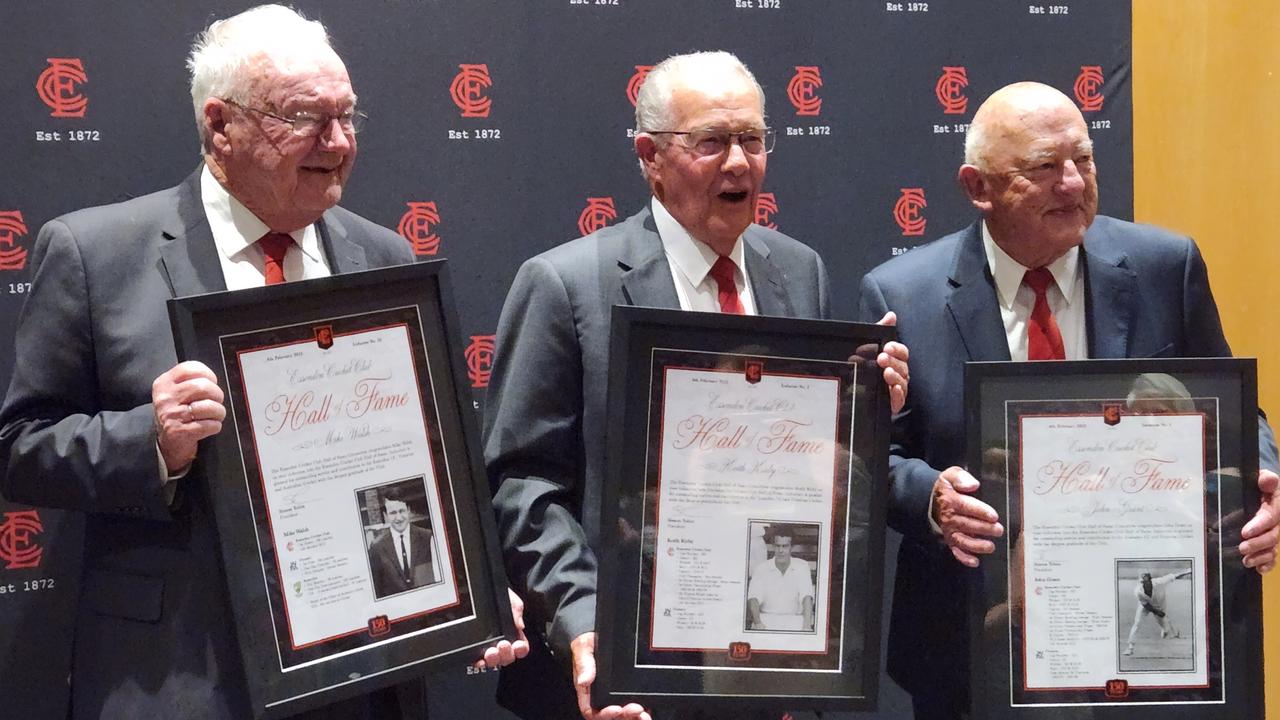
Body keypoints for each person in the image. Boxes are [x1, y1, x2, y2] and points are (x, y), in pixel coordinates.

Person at [0, 6, 523, 718]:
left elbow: (423, 460)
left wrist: (472, 591)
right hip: (182, 672)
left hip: (365, 674)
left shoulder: (384, 258)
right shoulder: (96, 254)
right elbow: (22, 448)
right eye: (308, 118)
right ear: (221, 125)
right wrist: (153, 441)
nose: (337, 143)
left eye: (348, 117)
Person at [483, 51, 909, 720]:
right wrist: (584, 618)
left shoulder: (798, 270)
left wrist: (868, 411)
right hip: (622, 672)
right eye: (711, 142)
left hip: (769, 668)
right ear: (650, 156)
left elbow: (810, 472)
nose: (739, 163)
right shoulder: (565, 285)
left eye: (753, 139)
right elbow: (522, 485)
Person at [858, 80, 1280, 720]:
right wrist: (933, 500)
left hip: (1147, 632)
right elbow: (873, 456)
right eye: (1043, 168)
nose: (1075, 184)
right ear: (978, 187)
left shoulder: (1166, 264)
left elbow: (1235, 412)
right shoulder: (902, 294)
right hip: (974, 640)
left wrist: (1265, 474)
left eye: (1083, 160)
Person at [369, 489, 437, 597]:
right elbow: (377, 588)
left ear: (408, 510)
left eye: (402, 511)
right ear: (385, 515)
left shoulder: (427, 537)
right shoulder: (377, 547)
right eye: (393, 513)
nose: (399, 518)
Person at [746, 528, 815, 632]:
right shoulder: (761, 568)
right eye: (778, 546)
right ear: (773, 546)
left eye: (785, 546)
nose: (781, 550)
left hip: (795, 620)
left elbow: (807, 597)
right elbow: (753, 598)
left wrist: (806, 626)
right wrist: (758, 622)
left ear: (792, 547)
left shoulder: (802, 566)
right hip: (766, 619)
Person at [1123, 569, 1192, 655]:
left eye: (1145, 581)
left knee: (1166, 630)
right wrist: (1156, 612)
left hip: (1160, 606)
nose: (1144, 584)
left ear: (1150, 579)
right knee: (1137, 623)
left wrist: (1188, 571)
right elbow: (1145, 605)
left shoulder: (1159, 582)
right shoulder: (1138, 591)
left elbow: (1175, 575)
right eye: (1142, 582)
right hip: (1145, 606)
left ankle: (1166, 630)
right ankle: (1130, 648)